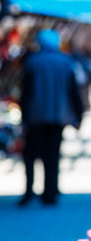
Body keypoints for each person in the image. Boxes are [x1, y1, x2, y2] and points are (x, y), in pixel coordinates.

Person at [18, 28, 86, 207]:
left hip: (36, 116)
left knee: (31, 155)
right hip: (58, 115)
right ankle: (50, 193)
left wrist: (23, 116)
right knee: (53, 155)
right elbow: (74, 92)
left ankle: (29, 191)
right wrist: (79, 116)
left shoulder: (32, 62)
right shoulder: (66, 62)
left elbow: (25, 92)